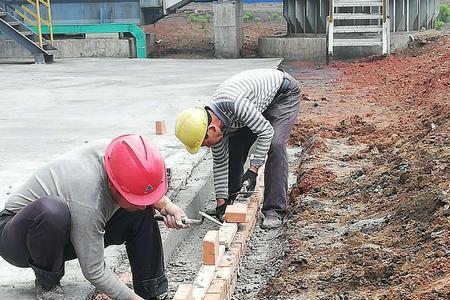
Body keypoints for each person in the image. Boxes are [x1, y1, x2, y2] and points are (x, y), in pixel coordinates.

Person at [0, 134, 188, 300]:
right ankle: (48, 282)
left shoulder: (121, 156)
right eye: (134, 198)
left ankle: (151, 291)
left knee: (141, 210)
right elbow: (94, 270)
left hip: (66, 227)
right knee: (51, 212)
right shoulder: (89, 198)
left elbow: (142, 186)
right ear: (114, 186)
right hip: (19, 237)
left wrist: (167, 206)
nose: (142, 204)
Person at [175, 68, 301, 229]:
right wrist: (221, 202)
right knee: (235, 144)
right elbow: (220, 163)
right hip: (255, 104)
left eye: (204, 143)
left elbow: (266, 132)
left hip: (282, 95)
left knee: (275, 144)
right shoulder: (215, 123)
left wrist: (253, 169)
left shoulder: (235, 104)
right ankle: (231, 197)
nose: (206, 147)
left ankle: (274, 210)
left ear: (212, 129)